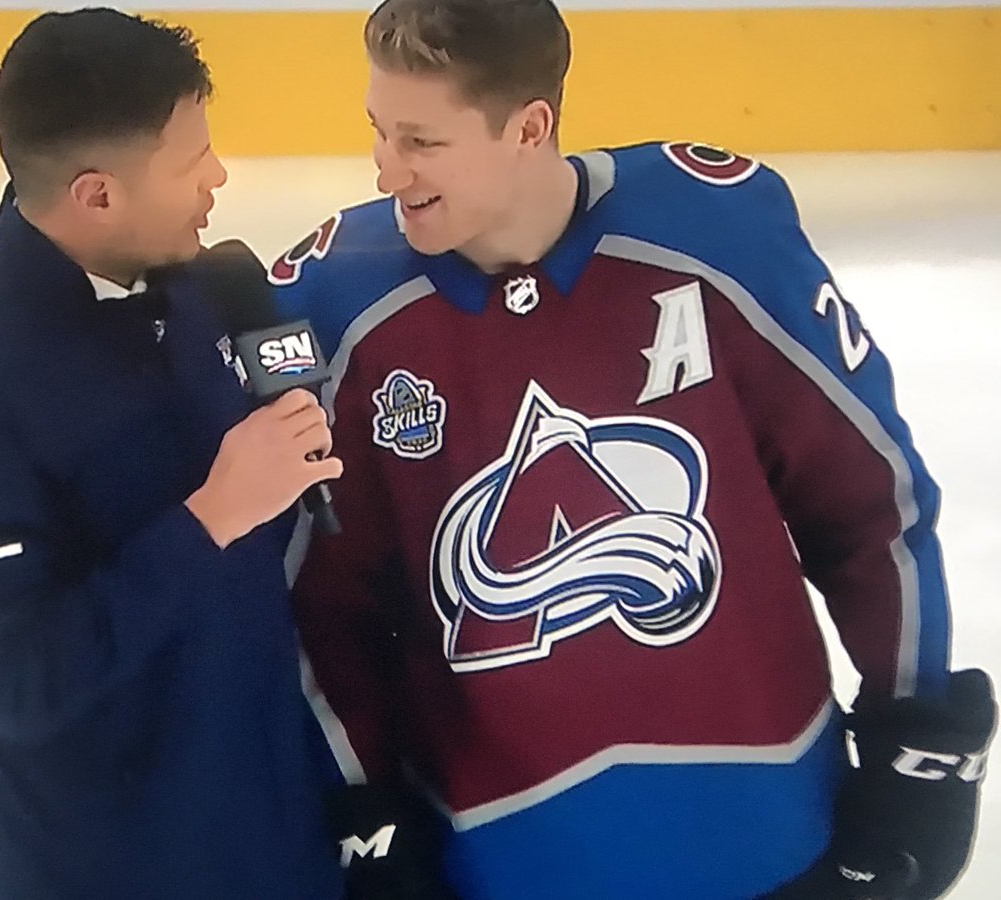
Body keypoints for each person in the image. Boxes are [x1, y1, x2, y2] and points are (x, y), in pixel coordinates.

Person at [273, 1, 995, 898]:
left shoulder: (714, 242)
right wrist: (361, 807)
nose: (386, 169)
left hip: (766, 832)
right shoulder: (335, 315)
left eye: (420, 141)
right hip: (497, 860)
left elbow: (866, 499)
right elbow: (319, 604)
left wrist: (916, 724)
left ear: (529, 127)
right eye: (378, 132)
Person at [0, 9, 344, 899]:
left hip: (269, 856)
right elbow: (20, 679)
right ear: (96, 195)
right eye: (190, 161)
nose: (219, 176)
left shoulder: (207, 296)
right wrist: (212, 517)